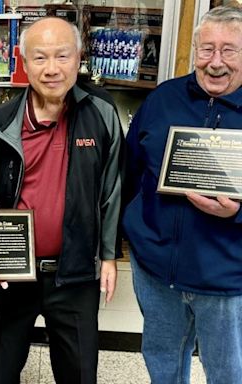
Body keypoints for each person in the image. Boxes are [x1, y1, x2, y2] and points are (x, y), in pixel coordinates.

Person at [0, 17, 124, 384]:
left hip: (76, 272)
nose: (52, 69)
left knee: (80, 373)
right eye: (40, 58)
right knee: (0, 370)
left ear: (78, 58)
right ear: (22, 61)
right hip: (13, 275)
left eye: (62, 56)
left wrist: (110, 255)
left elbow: (112, 188)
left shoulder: (101, 113)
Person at [123, 6, 242, 384]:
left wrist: (236, 215)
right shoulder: (163, 99)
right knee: (162, 364)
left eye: (230, 50)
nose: (216, 62)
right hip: (156, 273)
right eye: (206, 49)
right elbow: (130, 171)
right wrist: (131, 234)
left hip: (225, 281)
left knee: (228, 373)